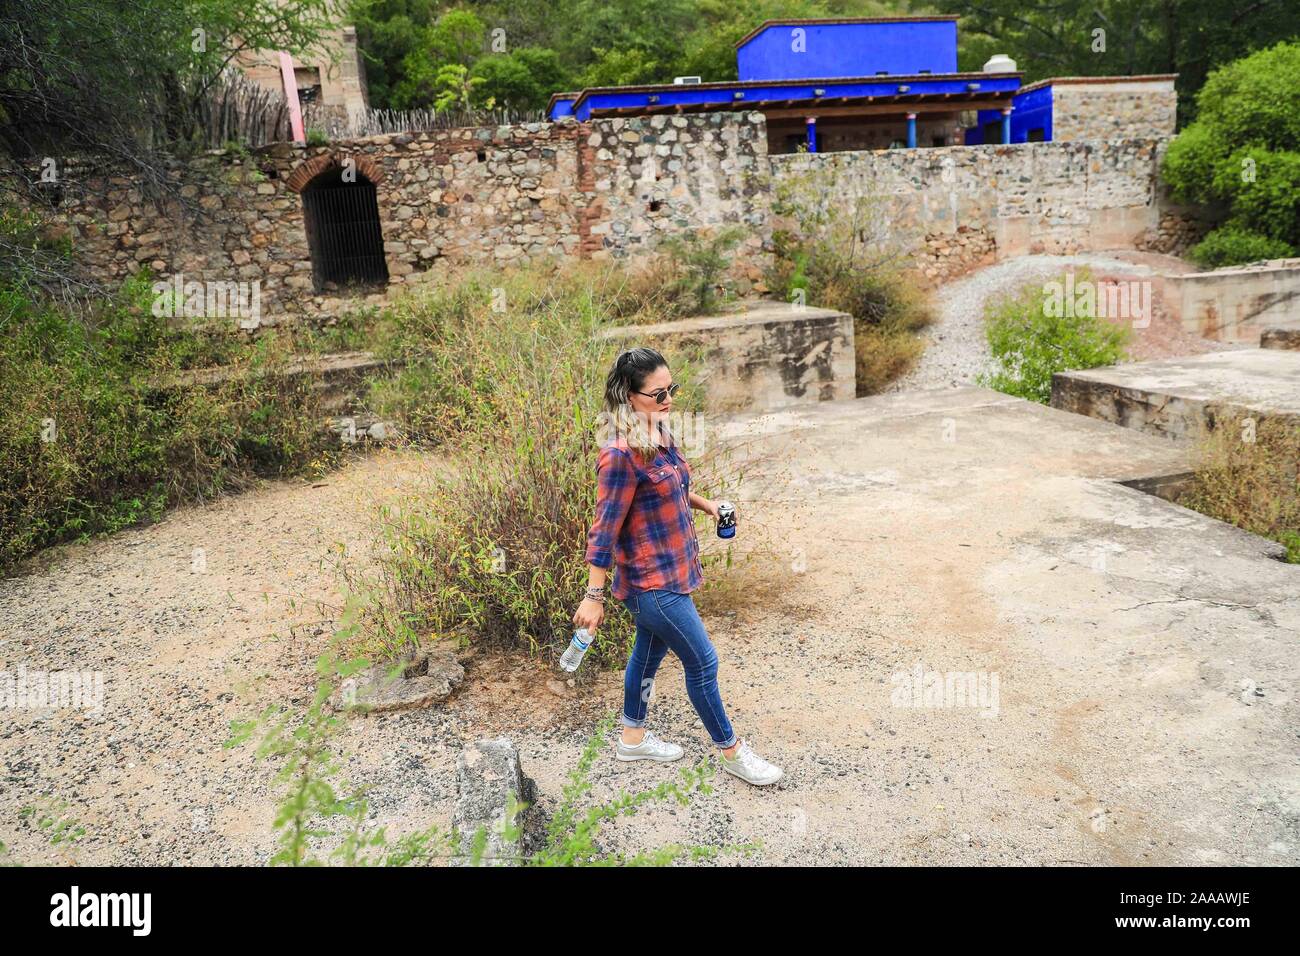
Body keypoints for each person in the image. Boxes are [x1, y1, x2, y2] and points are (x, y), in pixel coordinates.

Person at [573, 347, 783, 786]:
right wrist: (593, 597)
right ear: (630, 397)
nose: (668, 400)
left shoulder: (659, 433)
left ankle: (632, 738)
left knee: (646, 656)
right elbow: (604, 528)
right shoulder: (619, 454)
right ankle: (733, 752)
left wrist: (705, 503)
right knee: (703, 663)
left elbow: (670, 487)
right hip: (650, 583)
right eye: (657, 394)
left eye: (671, 390)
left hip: (673, 570)